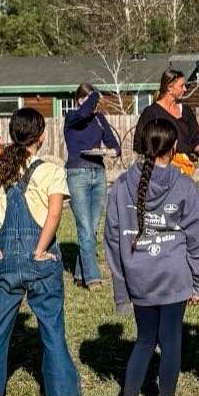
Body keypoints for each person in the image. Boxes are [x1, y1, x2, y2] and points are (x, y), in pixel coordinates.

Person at [0, 108, 85, 396]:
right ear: (41, 136)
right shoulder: (51, 171)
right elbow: (55, 214)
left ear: (12, 133)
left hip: (5, 261)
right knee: (52, 329)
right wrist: (40, 250)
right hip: (41, 260)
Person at [106, 118, 199, 396]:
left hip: (139, 276)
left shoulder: (121, 185)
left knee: (144, 340)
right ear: (174, 147)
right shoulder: (185, 187)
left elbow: (112, 238)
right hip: (174, 277)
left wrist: (121, 283)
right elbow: (198, 239)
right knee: (171, 341)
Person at [63, 83, 121, 289]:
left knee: (92, 228)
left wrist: (111, 151)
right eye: (91, 101)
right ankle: (93, 278)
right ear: (80, 100)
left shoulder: (99, 119)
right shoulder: (72, 117)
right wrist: (95, 95)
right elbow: (83, 112)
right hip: (77, 174)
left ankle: (80, 275)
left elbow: (114, 144)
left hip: (98, 174)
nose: (95, 105)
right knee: (85, 227)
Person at [132, 70, 199, 164]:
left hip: (185, 167)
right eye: (181, 86)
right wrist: (163, 158)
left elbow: (196, 139)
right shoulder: (151, 113)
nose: (185, 89)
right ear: (169, 88)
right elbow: (139, 143)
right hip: (160, 168)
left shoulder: (186, 112)